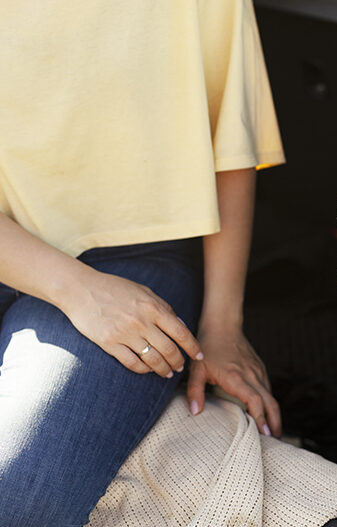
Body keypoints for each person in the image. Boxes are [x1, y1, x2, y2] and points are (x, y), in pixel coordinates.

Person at [0, 1, 285, 525]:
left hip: (130, 257)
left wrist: (223, 324)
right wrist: (75, 290)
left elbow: (229, 138)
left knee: (16, 494)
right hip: (31, 256)